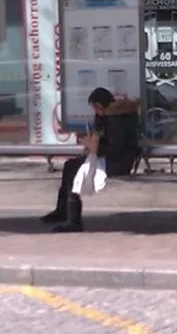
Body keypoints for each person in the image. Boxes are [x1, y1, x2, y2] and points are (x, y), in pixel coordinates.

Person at [41, 87, 140, 232]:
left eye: (95, 108)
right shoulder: (109, 116)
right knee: (70, 166)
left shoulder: (116, 120)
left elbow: (115, 149)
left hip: (118, 162)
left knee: (73, 169)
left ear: (100, 106)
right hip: (110, 158)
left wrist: (93, 145)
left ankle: (72, 219)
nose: (94, 112)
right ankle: (63, 211)